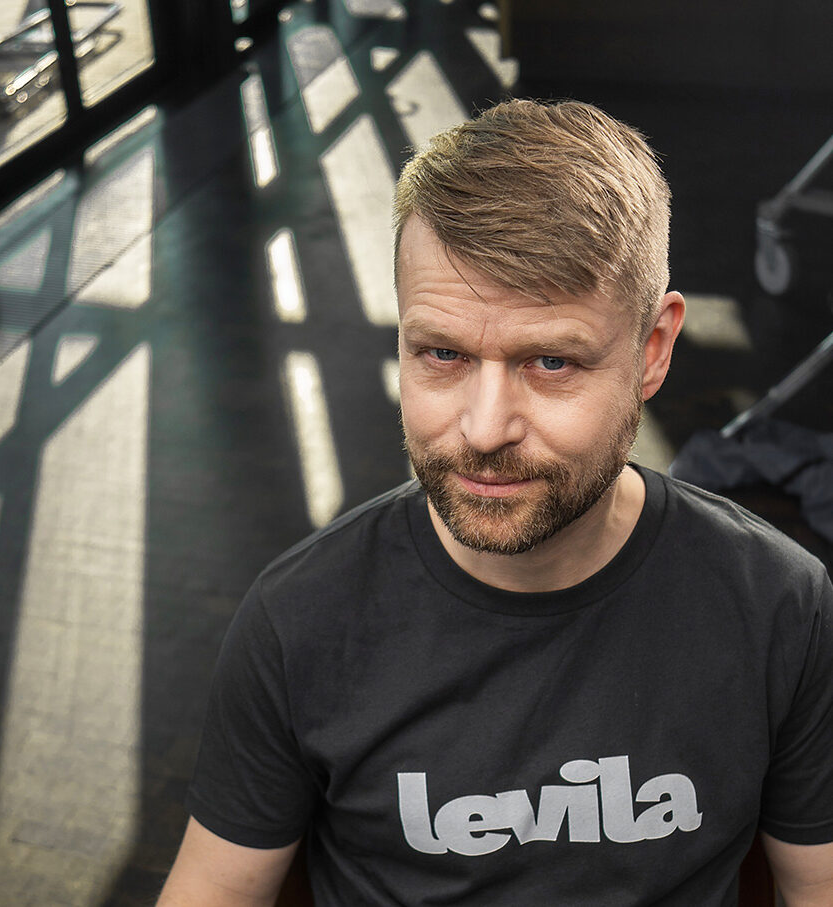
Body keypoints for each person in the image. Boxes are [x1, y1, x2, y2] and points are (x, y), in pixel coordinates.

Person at [157, 99, 833, 906]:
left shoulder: (779, 606)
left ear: (652, 351)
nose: (483, 429)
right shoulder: (300, 621)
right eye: (441, 352)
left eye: (550, 361)